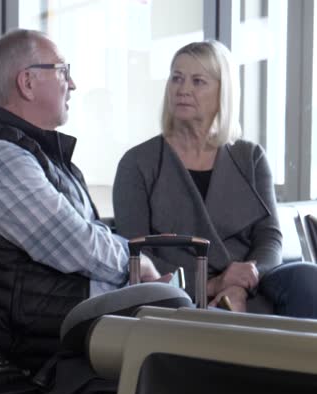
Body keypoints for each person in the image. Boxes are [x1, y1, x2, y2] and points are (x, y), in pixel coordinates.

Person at [0, 29, 165, 374]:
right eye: (63, 70)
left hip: (64, 312)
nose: (73, 84)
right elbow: (75, 244)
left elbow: (85, 241)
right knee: (173, 313)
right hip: (38, 329)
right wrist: (136, 263)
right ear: (28, 82)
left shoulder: (37, 154)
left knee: (182, 317)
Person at [114, 40, 317, 317]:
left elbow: (269, 238)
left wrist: (241, 284)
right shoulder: (137, 163)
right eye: (176, 78)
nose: (183, 89)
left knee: (308, 277)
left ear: (224, 91)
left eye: (198, 81)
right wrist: (211, 285)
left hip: (251, 284)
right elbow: (134, 256)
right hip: (176, 289)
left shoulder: (251, 157)